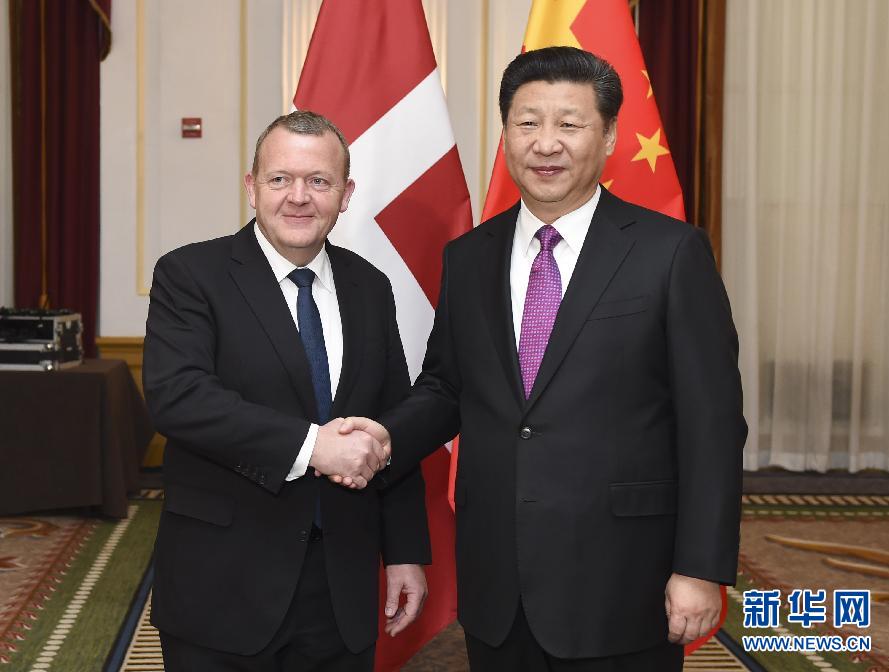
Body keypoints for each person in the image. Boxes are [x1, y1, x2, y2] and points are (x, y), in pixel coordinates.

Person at [339, 47, 746, 671]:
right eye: (527, 123)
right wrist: (385, 436)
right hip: (498, 580)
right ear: (505, 134)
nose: (546, 143)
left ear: (608, 137)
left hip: (622, 577)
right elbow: (447, 387)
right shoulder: (470, 256)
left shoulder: (670, 253)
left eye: (569, 124)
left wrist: (699, 567)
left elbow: (712, 424)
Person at [142, 110, 430, 671]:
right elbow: (179, 398)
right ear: (252, 188)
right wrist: (312, 446)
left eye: (319, 181)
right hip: (223, 584)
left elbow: (390, 422)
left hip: (341, 585)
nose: (299, 197)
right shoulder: (190, 274)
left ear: (345, 195)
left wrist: (404, 553)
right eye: (280, 179)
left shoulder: (370, 286)